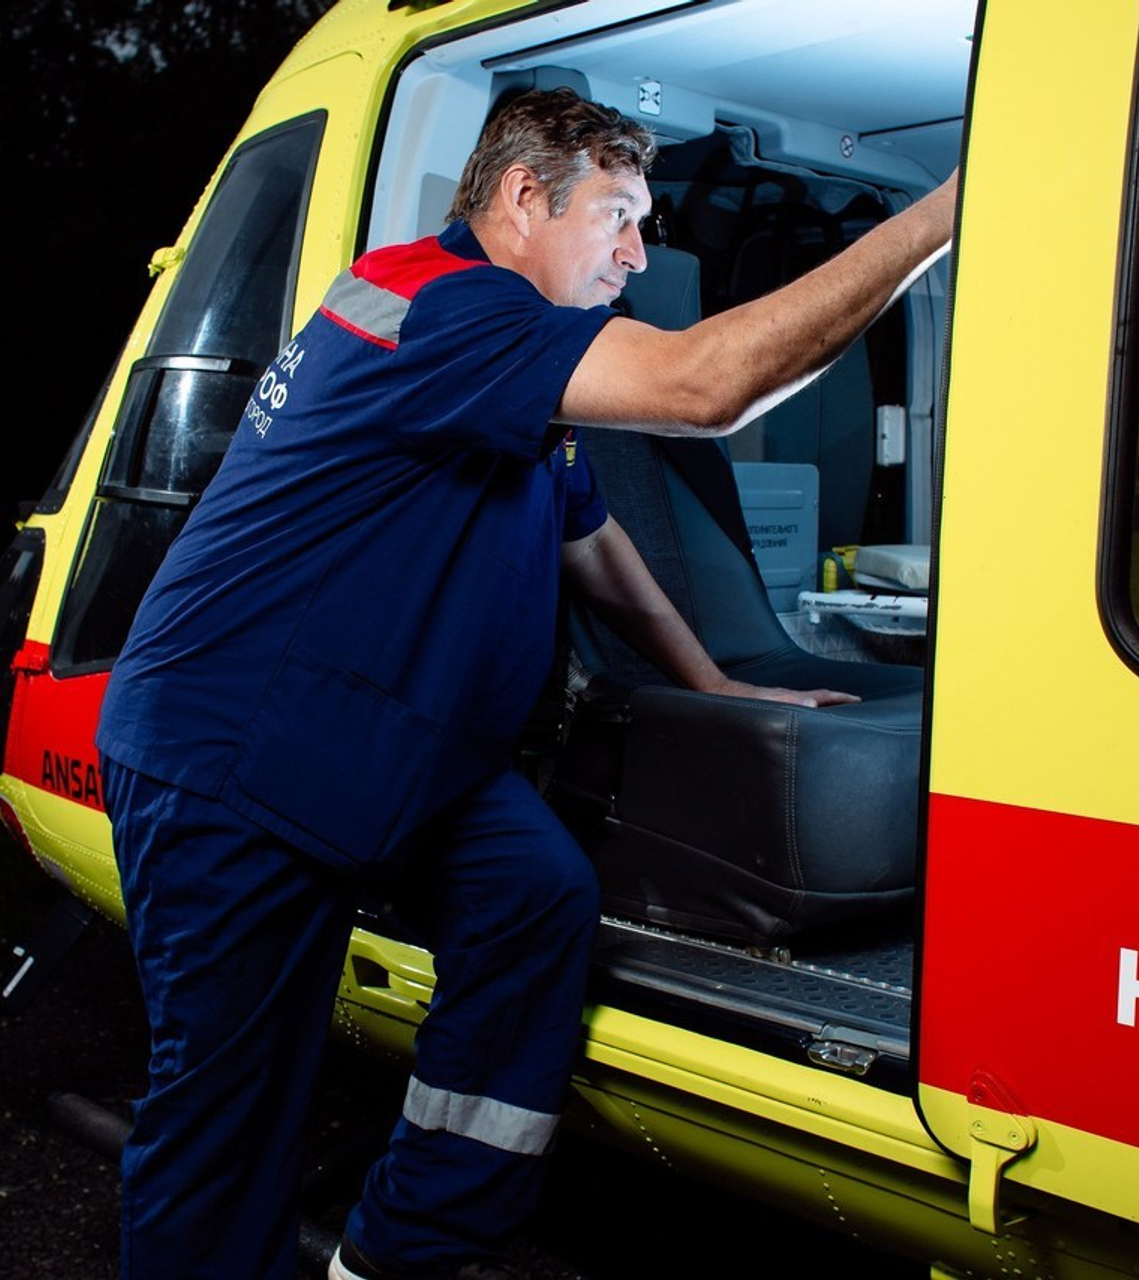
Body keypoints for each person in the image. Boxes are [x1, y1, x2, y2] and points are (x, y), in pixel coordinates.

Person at [95, 88, 956, 1280]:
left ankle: (399, 1250)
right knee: (230, 1117)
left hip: (393, 746)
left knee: (533, 897)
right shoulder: (443, 305)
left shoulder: (514, 359)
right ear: (517, 198)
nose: (635, 251)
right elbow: (708, 387)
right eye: (615, 214)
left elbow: (588, 542)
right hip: (237, 756)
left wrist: (718, 681)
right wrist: (945, 216)